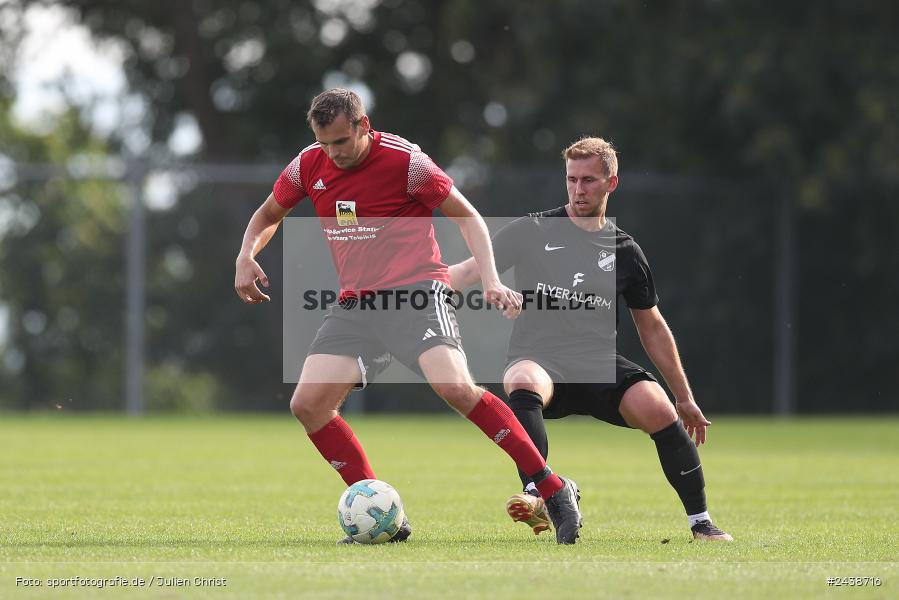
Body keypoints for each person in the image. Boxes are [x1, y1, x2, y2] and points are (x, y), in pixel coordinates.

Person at [234, 88, 582, 544]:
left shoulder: (407, 163)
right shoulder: (308, 164)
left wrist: (492, 280)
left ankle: (553, 488)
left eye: (341, 141)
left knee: (455, 388)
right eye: (324, 143)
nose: (332, 153)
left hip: (417, 292)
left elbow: (469, 217)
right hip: (357, 304)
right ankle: (386, 517)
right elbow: (267, 215)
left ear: (363, 126)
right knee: (308, 405)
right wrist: (245, 254)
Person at [448, 136, 733, 542]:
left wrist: (683, 397)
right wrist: (415, 290)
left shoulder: (625, 250)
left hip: (598, 364)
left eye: (589, 181)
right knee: (522, 379)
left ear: (611, 183)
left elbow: (651, 325)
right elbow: (464, 271)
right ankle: (541, 493)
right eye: (571, 180)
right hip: (540, 358)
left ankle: (701, 522)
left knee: (658, 409)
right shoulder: (533, 229)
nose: (578, 190)